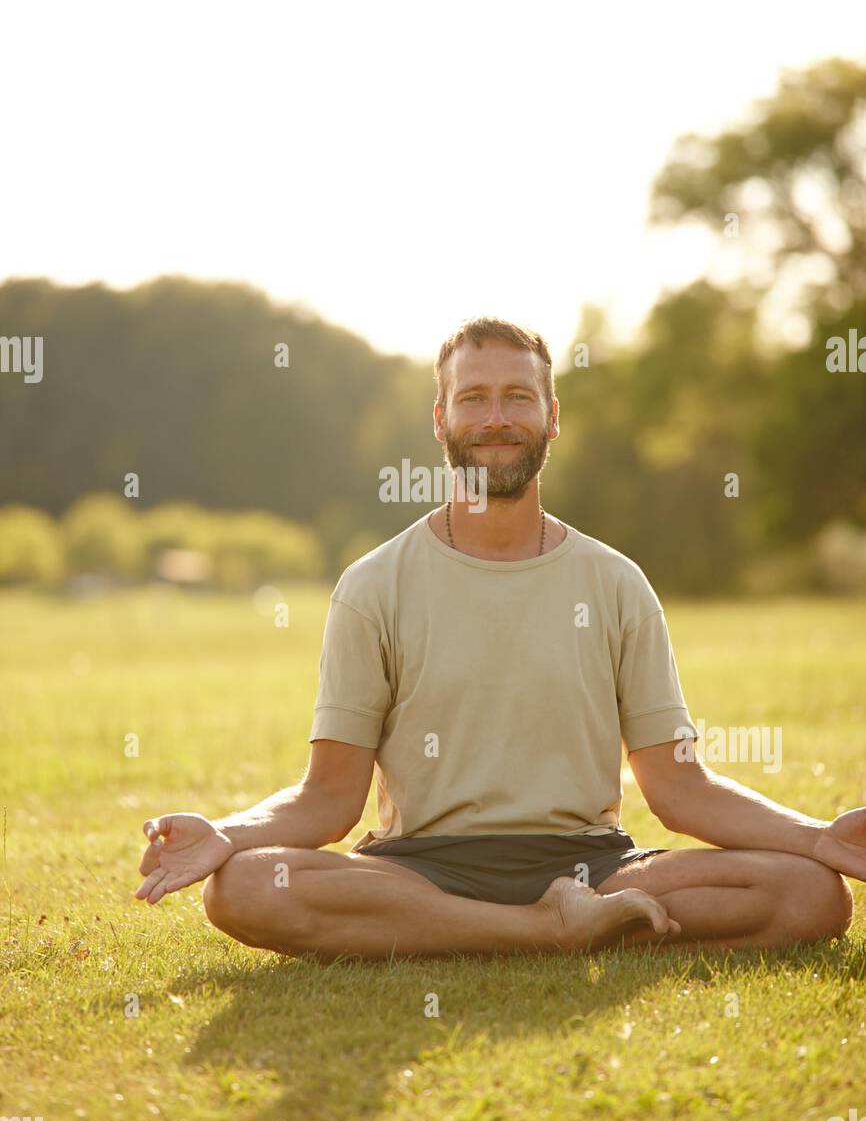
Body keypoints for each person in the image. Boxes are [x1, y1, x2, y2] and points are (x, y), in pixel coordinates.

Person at [135, 317, 858, 959]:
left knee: (810, 894)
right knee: (245, 887)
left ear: (551, 418)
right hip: (420, 868)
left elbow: (680, 787)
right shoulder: (373, 585)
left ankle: (574, 914)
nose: (496, 417)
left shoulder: (616, 583)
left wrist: (816, 837)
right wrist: (229, 833)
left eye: (518, 396)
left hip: (592, 864)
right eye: (474, 398)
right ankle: (551, 931)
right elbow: (328, 799)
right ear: (442, 419)